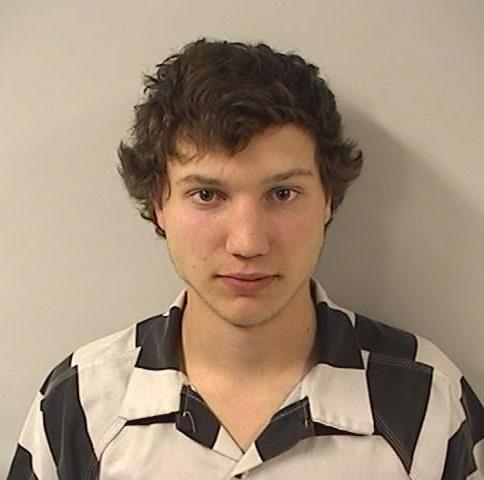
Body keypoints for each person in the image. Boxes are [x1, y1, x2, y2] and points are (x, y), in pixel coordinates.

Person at [7, 37, 483, 480]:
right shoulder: (80, 403)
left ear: (328, 200)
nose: (248, 242)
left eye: (283, 193)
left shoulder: (427, 400)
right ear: (159, 204)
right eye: (207, 194)